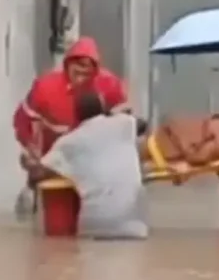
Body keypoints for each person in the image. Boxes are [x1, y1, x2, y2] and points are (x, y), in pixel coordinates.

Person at [13, 37, 129, 234]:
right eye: (78, 65)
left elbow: (125, 119)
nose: (82, 72)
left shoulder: (109, 85)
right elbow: (23, 121)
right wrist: (31, 151)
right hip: (56, 163)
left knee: (98, 227)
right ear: (68, 64)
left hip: (95, 166)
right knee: (59, 232)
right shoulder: (45, 88)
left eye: (88, 67)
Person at [38, 92, 147, 239]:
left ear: (76, 114)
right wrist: (111, 114)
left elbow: (40, 172)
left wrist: (28, 163)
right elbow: (143, 124)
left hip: (94, 225)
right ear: (102, 108)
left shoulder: (68, 142)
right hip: (133, 225)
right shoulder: (124, 123)